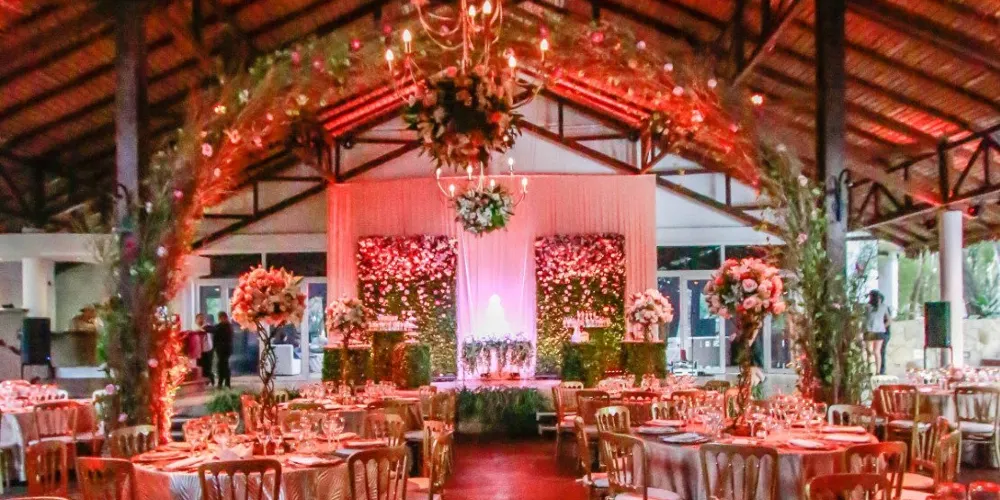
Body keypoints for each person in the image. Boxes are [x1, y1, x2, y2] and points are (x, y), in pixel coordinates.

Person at [864, 290, 891, 376]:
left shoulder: (867, 307)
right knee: (877, 352)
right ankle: (878, 371)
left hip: (869, 330)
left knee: (869, 352)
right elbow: (889, 320)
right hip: (880, 331)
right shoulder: (884, 306)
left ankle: (869, 370)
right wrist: (883, 326)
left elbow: (865, 318)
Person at [213, 312, 234, 389]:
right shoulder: (229, 326)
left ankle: (223, 383)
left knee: (222, 366)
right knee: (223, 365)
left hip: (222, 349)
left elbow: (215, 336)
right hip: (225, 349)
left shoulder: (222, 327)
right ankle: (224, 383)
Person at [194, 313, 214, 385]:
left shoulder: (207, 326)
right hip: (199, 351)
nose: (200, 320)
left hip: (207, 350)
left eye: (202, 318)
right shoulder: (195, 329)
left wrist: (202, 329)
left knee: (207, 366)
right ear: (196, 320)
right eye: (199, 318)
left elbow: (209, 329)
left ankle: (209, 379)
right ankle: (203, 381)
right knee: (200, 366)